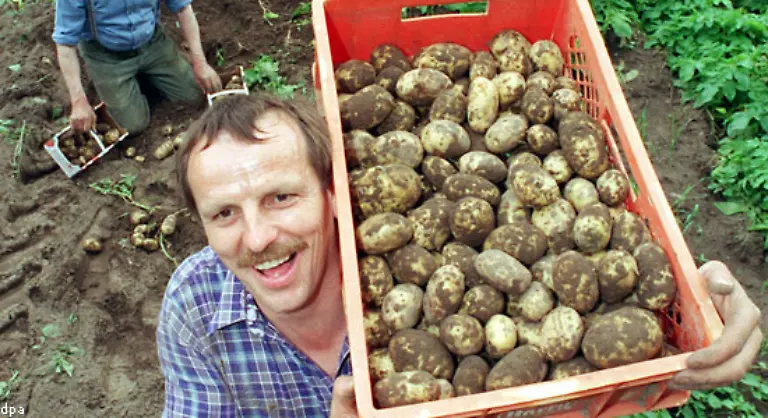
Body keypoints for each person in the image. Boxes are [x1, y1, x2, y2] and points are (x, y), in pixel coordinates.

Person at [156, 93, 762, 417]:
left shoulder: (383, 247)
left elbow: (618, 337)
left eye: (281, 197)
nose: (258, 237)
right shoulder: (196, 308)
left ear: (334, 191)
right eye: (224, 213)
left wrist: (690, 320)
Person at [52, 0, 222, 135]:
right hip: (107, 56)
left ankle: (158, 73)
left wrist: (200, 63)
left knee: (195, 96)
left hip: (152, 43)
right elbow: (65, 44)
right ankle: (117, 86)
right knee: (132, 126)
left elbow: (183, 9)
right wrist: (79, 102)